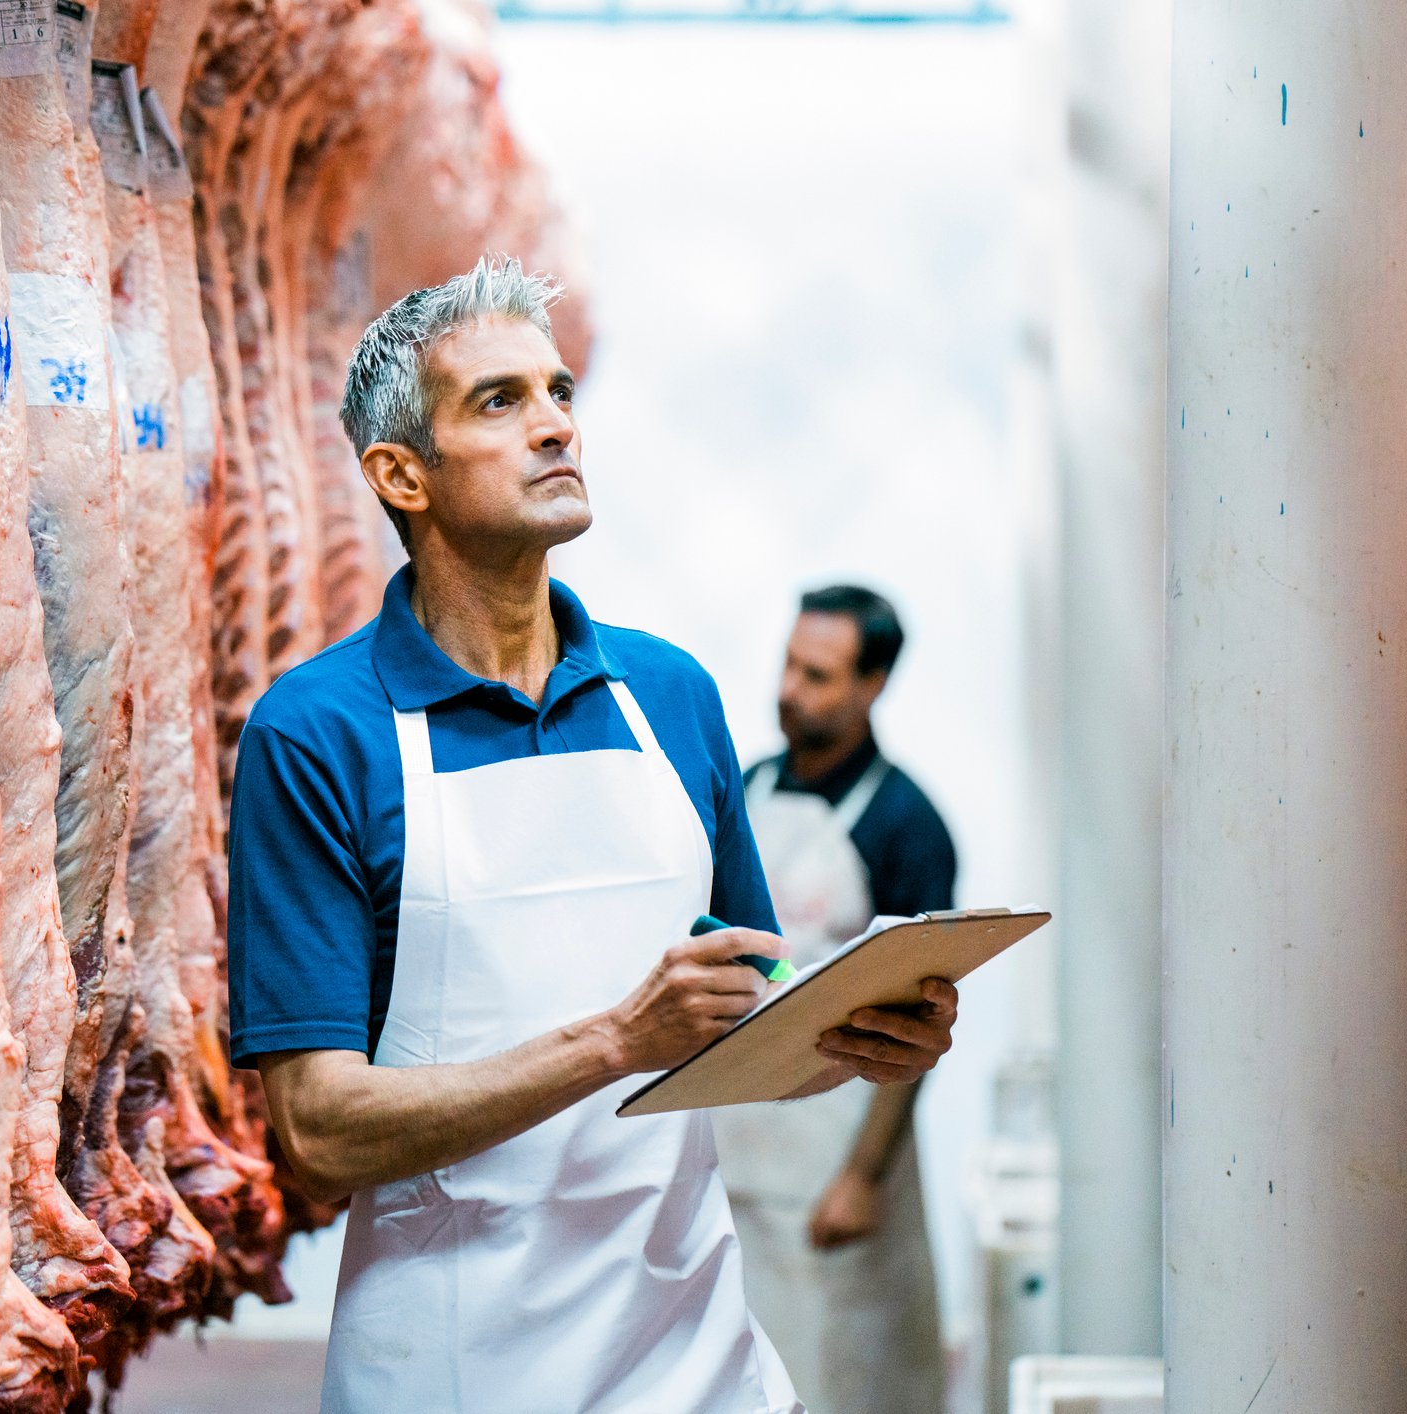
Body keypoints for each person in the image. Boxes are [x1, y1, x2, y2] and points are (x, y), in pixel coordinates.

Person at [225, 258, 962, 1414]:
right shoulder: (317, 732)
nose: (557, 425)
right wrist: (614, 1041)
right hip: (454, 1360)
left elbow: (752, 1003)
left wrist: (862, 1033)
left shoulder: (667, 694)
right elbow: (318, 1127)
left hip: (693, 1355)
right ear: (399, 474)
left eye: (559, 391)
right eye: (500, 401)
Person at [712, 585, 959, 1414]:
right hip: (734, 1140)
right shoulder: (744, 787)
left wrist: (861, 1177)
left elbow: (920, 1025)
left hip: (838, 1151)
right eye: (788, 664)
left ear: (873, 683)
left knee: (844, 1371)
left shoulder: (906, 822)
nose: (790, 689)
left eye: (817, 675)